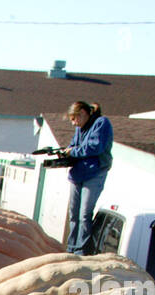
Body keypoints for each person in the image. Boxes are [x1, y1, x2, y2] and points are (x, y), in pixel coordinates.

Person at [59, 100, 114, 255]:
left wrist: (73, 151)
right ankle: (72, 247)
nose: (73, 124)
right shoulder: (80, 128)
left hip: (95, 173)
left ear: (82, 113)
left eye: (74, 119)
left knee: (85, 213)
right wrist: (66, 152)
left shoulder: (101, 123)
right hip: (78, 174)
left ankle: (82, 249)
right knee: (73, 213)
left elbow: (95, 147)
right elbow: (74, 145)